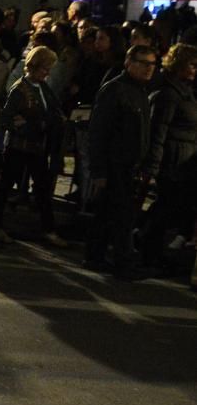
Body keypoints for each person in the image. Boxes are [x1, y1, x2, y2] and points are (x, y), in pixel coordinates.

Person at [84, 44, 158, 278]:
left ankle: (96, 256)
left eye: (153, 64)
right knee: (122, 215)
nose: (149, 68)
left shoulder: (141, 92)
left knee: (108, 213)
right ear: (129, 63)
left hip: (128, 165)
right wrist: (99, 170)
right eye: (144, 63)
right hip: (115, 164)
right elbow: (98, 132)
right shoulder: (115, 90)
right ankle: (122, 263)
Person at [0, 46, 67, 247]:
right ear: (34, 65)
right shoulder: (20, 89)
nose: (47, 72)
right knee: (4, 186)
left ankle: (49, 229)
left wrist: (41, 122)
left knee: (41, 189)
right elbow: (6, 119)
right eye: (45, 68)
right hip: (18, 146)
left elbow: (53, 113)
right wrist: (32, 125)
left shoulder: (43, 88)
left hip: (36, 147)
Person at [139, 44, 197, 267]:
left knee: (167, 206)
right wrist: (152, 165)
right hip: (172, 160)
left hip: (181, 159)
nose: (194, 70)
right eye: (191, 65)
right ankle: (148, 249)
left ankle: (146, 242)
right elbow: (158, 131)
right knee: (165, 206)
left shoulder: (183, 91)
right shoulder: (170, 94)